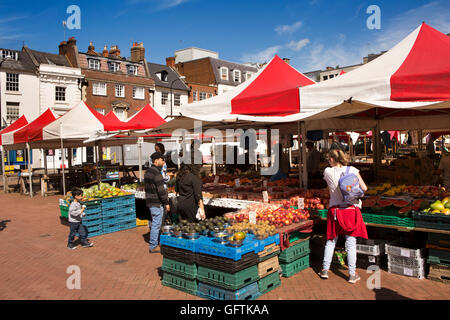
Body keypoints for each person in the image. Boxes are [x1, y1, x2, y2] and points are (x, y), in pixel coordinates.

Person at [319, 149, 368, 284]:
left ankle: (324, 270)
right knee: (351, 243)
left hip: (335, 210)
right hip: (350, 210)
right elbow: (364, 188)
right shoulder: (353, 170)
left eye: (329, 159)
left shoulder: (328, 171)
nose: (328, 161)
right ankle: (352, 274)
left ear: (333, 160)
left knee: (331, 240)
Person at [144, 152, 170, 253]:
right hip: (156, 202)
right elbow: (161, 190)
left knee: (155, 222)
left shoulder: (148, 172)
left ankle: (155, 242)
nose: (163, 162)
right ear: (156, 161)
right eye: (162, 160)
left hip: (150, 201)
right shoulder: (157, 173)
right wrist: (166, 202)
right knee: (156, 223)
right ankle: (153, 245)